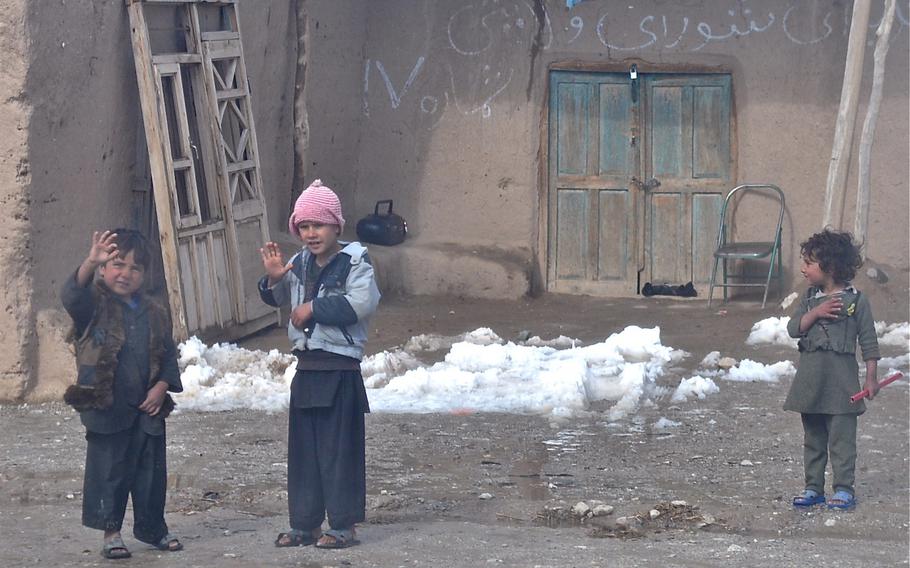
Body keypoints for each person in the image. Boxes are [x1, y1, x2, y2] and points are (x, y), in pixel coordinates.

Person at [259, 179, 380, 549]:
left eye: (319, 225)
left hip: (339, 369)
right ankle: (305, 524)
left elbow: (360, 304)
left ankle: (343, 525)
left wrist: (313, 308)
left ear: (336, 226)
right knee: (305, 452)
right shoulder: (299, 262)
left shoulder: (357, 261)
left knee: (338, 450)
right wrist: (274, 278)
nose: (311, 233)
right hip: (307, 368)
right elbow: (277, 298)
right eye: (304, 226)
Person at [61, 229, 184, 559]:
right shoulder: (93, 306)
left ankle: (152, 528)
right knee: (109, 472)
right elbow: (72, 295)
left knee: (151, 475)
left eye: (135, 268)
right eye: (117, 264)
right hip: (107, 407)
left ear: (145, 275)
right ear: (103, 269)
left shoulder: (155, 311)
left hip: (147, 408)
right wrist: (90, 261)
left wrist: (161, 388)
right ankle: (111, 532)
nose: (125, 273)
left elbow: (168, 354)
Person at [785, 229, 880, 511]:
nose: (803, 268)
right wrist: (814, 314)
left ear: (830, 267)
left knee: (842, 441)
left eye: (809, 263)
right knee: (813, 439)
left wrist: (871, 378)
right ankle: (813, 487)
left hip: (842, 385)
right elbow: (793, 329)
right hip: (811, 383)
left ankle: (843, 489)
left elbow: (869, 342)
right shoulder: (810, 299)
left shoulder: (856, 302)